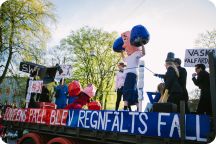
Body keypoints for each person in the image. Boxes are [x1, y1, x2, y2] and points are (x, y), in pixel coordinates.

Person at [121, 31, 145, 111]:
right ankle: (130, 107)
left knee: (129, 90)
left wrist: (142, 44)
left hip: (132, 73)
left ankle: (129, 107)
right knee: (131, 90)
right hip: (129, 74)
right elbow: (123, 59)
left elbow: (144, 53)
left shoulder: (136, 53)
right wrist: (121, 51)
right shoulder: (129, 56)